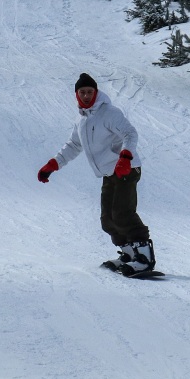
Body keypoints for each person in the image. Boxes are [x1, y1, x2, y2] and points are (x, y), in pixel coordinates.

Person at [37, 73, 156, 275]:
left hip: (127, 168)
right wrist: (53, 164)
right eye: (82, 92)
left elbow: (130, 134)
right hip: (110, 173)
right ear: (76, 94)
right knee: (107, 220)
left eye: (89, 91)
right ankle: (128, 254)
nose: (86, 95)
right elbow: (74, 145)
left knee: (122, 213)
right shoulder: (81, 119)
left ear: (96, 92)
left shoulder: (109, 113)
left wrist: (125, 157)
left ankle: (144, 257)